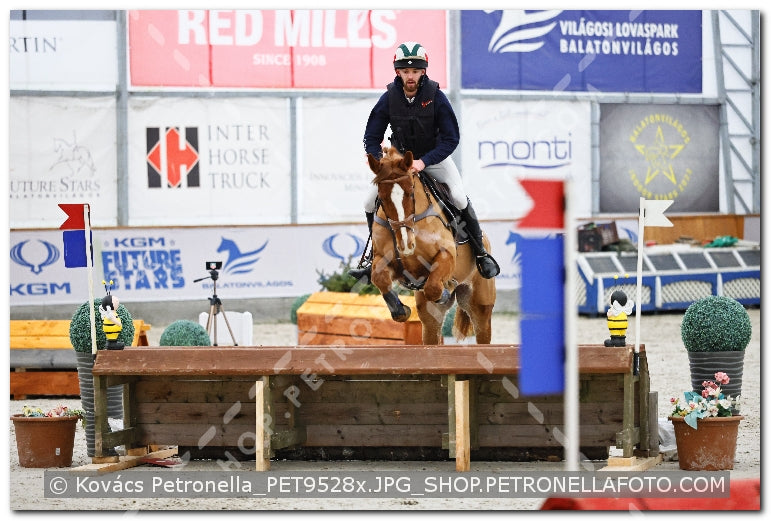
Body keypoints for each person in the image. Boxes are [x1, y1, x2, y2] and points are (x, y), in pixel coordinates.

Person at [350, 41, 499, 282]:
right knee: (369, 202)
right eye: (406, 71)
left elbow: (451, 138)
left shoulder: (436, 97)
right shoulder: (388, 98)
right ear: (398, 72)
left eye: (416, 71)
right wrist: (383, 164)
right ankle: (371, 258)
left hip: (434, 159)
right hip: (398, 166)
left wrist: (423, 161)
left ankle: (481, 254)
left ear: (423, 72)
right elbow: (371, 138)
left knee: (459, 197)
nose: (411, 76)